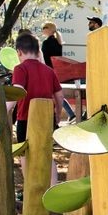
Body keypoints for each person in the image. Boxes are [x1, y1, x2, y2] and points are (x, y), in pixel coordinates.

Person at [11, 33, 64, 187]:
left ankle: (30, 188)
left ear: (19, 52)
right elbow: (59, 96)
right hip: (46, 119)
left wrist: (6, 109)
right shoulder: (49, 71)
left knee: (25, 154)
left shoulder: (20, 69)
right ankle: (53, 188)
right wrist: (58, 114)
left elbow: (17, 90)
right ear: (38, 50)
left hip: (25, 118)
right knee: (47, 154)